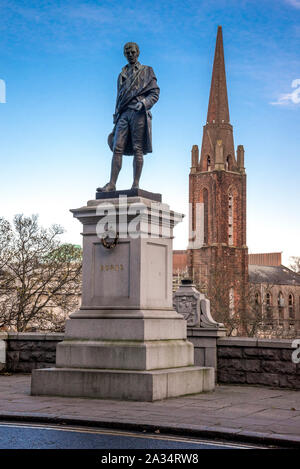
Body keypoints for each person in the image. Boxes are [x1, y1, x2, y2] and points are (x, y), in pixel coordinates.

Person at [97, 42, 160, 192]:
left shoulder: (147, 71)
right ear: (124, 55)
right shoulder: (121, 75)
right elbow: (119, 97)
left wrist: (144, 103)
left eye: (133, 52)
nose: (130, 55)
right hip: (123, 114)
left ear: (138, 53)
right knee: (117, 147)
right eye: (127, 53)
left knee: (138, 148)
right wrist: (116, 115)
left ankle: (135, 184)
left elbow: (155, 93)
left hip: (138, 112)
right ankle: (112, 184)